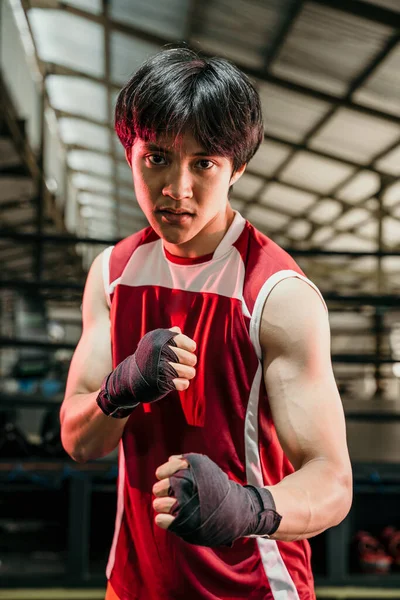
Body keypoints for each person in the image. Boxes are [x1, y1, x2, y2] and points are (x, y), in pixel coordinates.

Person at [60, 47, 353, 600]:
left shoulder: (275, 294)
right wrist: (119, 390)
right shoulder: (111, 275)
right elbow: (78, 440)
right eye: (159, 158)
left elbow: (333, 483)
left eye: (204, 163)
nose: (177, 188)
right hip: (132, 585)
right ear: (130, 152)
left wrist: (249, 507)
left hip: (257, 588)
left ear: (237, 167)